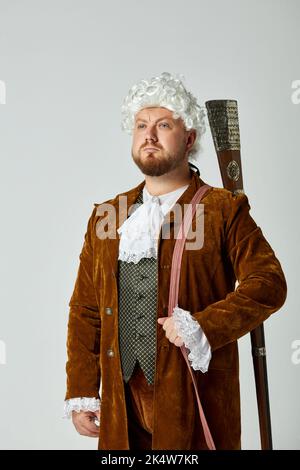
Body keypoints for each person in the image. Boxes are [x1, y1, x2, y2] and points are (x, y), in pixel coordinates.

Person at [63, 72, 287, 450]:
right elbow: (85, 309)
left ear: (189, 139)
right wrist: (82, 389)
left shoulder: (223, 210)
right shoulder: (108, 215)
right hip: (122, 408)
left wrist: (203, 326)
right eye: (140, 125)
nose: (148, 135)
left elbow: (268, 284)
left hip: (193, 397)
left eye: (163, 125)